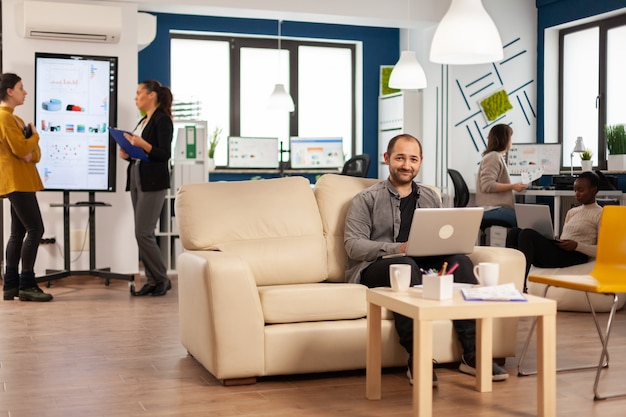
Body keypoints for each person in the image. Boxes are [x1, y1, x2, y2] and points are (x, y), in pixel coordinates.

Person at [344, 133, 508, 387]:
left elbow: (442, 234)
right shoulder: (366, 199)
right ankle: (419, 356)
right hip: (378, 267)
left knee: (461, 262)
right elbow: (353, 246)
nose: (406, 165)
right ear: (387, 159)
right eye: (400, 158)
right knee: (405, 265)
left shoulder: (430, 197)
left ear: (420, 161)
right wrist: (399, 248)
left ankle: (472, 352)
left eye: (413, 159)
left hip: (423, 263)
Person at [0, 73, 53, 302]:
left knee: (18, 232)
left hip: (21, 181)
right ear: (10, 91)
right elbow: (23, 152)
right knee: (36, 230)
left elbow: (35, 155)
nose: (25, 91)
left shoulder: (16, 120)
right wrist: (35, 136)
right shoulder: (5, 118)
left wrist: (30, 146)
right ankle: (27, 284)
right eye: (21, 87)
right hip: (17, 182)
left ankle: (11, 285)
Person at [506, 171, 602, 292]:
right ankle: (508, 278)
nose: (576, 194)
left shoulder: (600, 214)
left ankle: (521, 284)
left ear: (593, 190)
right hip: (562, 251)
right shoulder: (572, 212)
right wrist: (556, 239)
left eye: (581, 190)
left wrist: (577, 246)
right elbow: (565, 236)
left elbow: (603, 250)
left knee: (527, 234)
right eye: (575, 190)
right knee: (514, 232)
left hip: (576, 256)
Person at [120, 80, 173, 297]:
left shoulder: (162, 120)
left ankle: (161, 278)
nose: (136, 97)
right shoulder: (143, 121)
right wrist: (127, 153)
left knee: (143, 233)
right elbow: (140, 152)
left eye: (139, 92)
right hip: (136, 177)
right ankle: (152, 280)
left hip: (152, 181)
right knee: (142, 233)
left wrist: (141, 144)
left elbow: (163, 154)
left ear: (152, 95)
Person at [475, 124, 528, 227]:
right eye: (510, 138)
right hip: (492, 208)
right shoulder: (494, 157)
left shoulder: (494, 156)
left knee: (522, 219)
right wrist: (513, 186)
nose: (511, 141)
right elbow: (487, 185)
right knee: (524, 221)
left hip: (493, 207)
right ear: (505, 139)